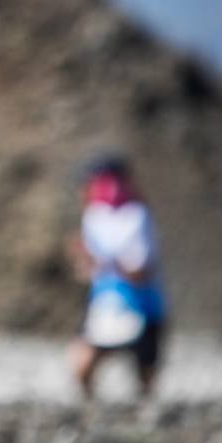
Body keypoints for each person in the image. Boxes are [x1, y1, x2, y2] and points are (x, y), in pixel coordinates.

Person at [67, 155, 168, 400]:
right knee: (82, 365)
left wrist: (107, 262)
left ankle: (145, 416)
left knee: (145, 378)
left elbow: (142, 271)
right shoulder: (93, 216)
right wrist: (85, 259)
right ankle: (90, 414)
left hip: (142, 306)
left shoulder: (137, 215)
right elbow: (88, 271)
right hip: (104, 302)